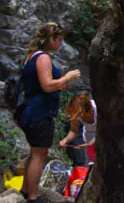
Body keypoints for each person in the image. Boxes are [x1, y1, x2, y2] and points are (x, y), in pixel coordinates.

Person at [17, 22, 80, 203]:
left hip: (31, 110)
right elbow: (46, 85)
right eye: (59, 39)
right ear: (50, 39)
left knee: (34, 152)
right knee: (40, 154)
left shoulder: (31, 56)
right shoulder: (43, 57)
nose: (60, 44)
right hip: (40, 112)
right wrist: (67, 77)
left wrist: (59, 85)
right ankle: (33, 197)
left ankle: (25, 190)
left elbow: (42, 85)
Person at [58, 90, 97, 167]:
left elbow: (102, 132)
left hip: (100, 138)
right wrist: (65, 140)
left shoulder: (97, 108)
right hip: (88, 138)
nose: (80, 117)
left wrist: (89, 144)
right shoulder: (76, 113)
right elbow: (73, 130)